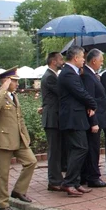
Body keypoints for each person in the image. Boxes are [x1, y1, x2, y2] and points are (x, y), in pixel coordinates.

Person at [0, 67, 37, 210]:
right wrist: (2, 88)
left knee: (31, 161)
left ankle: (18, 191)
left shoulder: (13, 96)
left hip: (18, 138)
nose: (17, 84)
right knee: (3, 173)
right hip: (4, 139)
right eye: (14, 81)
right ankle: (3, 204)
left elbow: (19, 118)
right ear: (6, 81)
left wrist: (26, 135)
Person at [58, 46, 97, 197]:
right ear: (75, 58)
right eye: (82, 57)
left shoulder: (73, 73)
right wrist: (92, 104)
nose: (83, 60)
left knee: (80, 148)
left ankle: (75, 182)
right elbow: (80, 92)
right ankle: (69, 182)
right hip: (72, 118)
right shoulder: (68, 74)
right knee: (80, 148)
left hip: (77, 117)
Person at [80, 49, 106, 188]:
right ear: (93, 61)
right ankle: (93, 176)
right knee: (93, 148)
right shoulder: (87, 75)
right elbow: (90, 100)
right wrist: (94, 122)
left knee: (92, 147)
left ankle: (88, 174)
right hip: (94, 118)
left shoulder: (92, 75)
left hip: (98, 116)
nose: (102, 63)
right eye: (101, 60)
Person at [40, 52, 64, 191]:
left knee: (57, 150)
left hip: (54, 117)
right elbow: (61, 93)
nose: (63, 62)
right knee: (54, 150)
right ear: (54, 62)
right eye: (60, 59)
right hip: (52, 119)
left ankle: (57, 178)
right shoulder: (50, 77)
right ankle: (54, 181)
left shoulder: (52, 75)